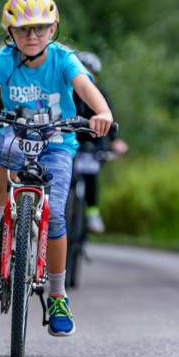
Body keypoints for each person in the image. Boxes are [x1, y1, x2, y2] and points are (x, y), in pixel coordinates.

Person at [0, 0, 113, 336]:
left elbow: (85, 88)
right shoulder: (5, 60)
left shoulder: (64, 59)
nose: (32, 35)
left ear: (53, 29)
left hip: (57, 144)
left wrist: (103, 113)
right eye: (23, 30)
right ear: (10, 32)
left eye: (40, 28)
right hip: (17, 135)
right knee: (4, 149)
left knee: (54, 215)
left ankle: (57, 296)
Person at [73, 51, 129, 234]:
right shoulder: (69, 93)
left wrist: (115, 141)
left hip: (94, 144)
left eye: (91, 73)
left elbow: (110, 118)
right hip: (71, 141)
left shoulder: (101, 94)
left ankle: (92, 213)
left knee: (91, 175)